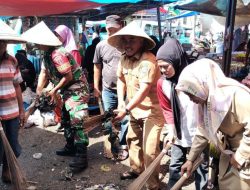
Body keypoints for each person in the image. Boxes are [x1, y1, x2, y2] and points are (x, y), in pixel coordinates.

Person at [22, 21, 90, 172]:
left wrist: (53, 90)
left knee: (76, 118)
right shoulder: (47, 54)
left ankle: (82, 155)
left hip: (77, 89)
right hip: (65, 88)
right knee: (65, 117)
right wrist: (40, 90)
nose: (35, 45)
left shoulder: (58, 54)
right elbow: (44, 73)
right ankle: (70, 146)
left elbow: (68, 76)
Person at [177, 58, 250, 190]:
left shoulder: (235, 95)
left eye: (191, 94)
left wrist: (241, 156)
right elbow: (203, 131)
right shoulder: (206, 102)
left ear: (203, 83)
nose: (191, 100)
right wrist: (190, 160)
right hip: (229, 153)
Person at [109, 22, 164, 190]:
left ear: (141, 42)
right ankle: (135, 169)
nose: (127, 44)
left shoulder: (148, 61)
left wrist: (125, 109)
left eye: (132, 40)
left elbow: (144, 90)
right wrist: (121, 102)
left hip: (152, 112)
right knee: (132, 141)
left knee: (150, 151)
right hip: (133, 109)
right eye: (124, 40)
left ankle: (153, 185)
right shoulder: (123, 58)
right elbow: (120, 80)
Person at [156, 39, 208, 189]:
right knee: (175, 165)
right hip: (179, 131)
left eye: (166, 66)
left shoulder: (195, 78)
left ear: (176, 60)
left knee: (201, 167)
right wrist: (171, 130)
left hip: (198, 129)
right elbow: (167, 108)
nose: (163, 71)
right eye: (160, 67)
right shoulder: (162, 83)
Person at [93, 15, 129, 161]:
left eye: (113, 29)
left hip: (127, 90)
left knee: (125, 119)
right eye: (108, 30)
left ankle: (123, 145)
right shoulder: (101, 46)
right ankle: (111, 145)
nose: (110, 32)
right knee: (108, 118)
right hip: (107, 89)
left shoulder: (127, 45)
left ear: (120, 26)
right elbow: (97, 66)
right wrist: (96, 86)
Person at [0, 20, 26, 183]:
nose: (1, 46)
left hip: (12, 112)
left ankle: (7, 170)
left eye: (3, 43)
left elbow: (17, 86)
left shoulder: (12, 61)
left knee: (12, 144)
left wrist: (22, 110)